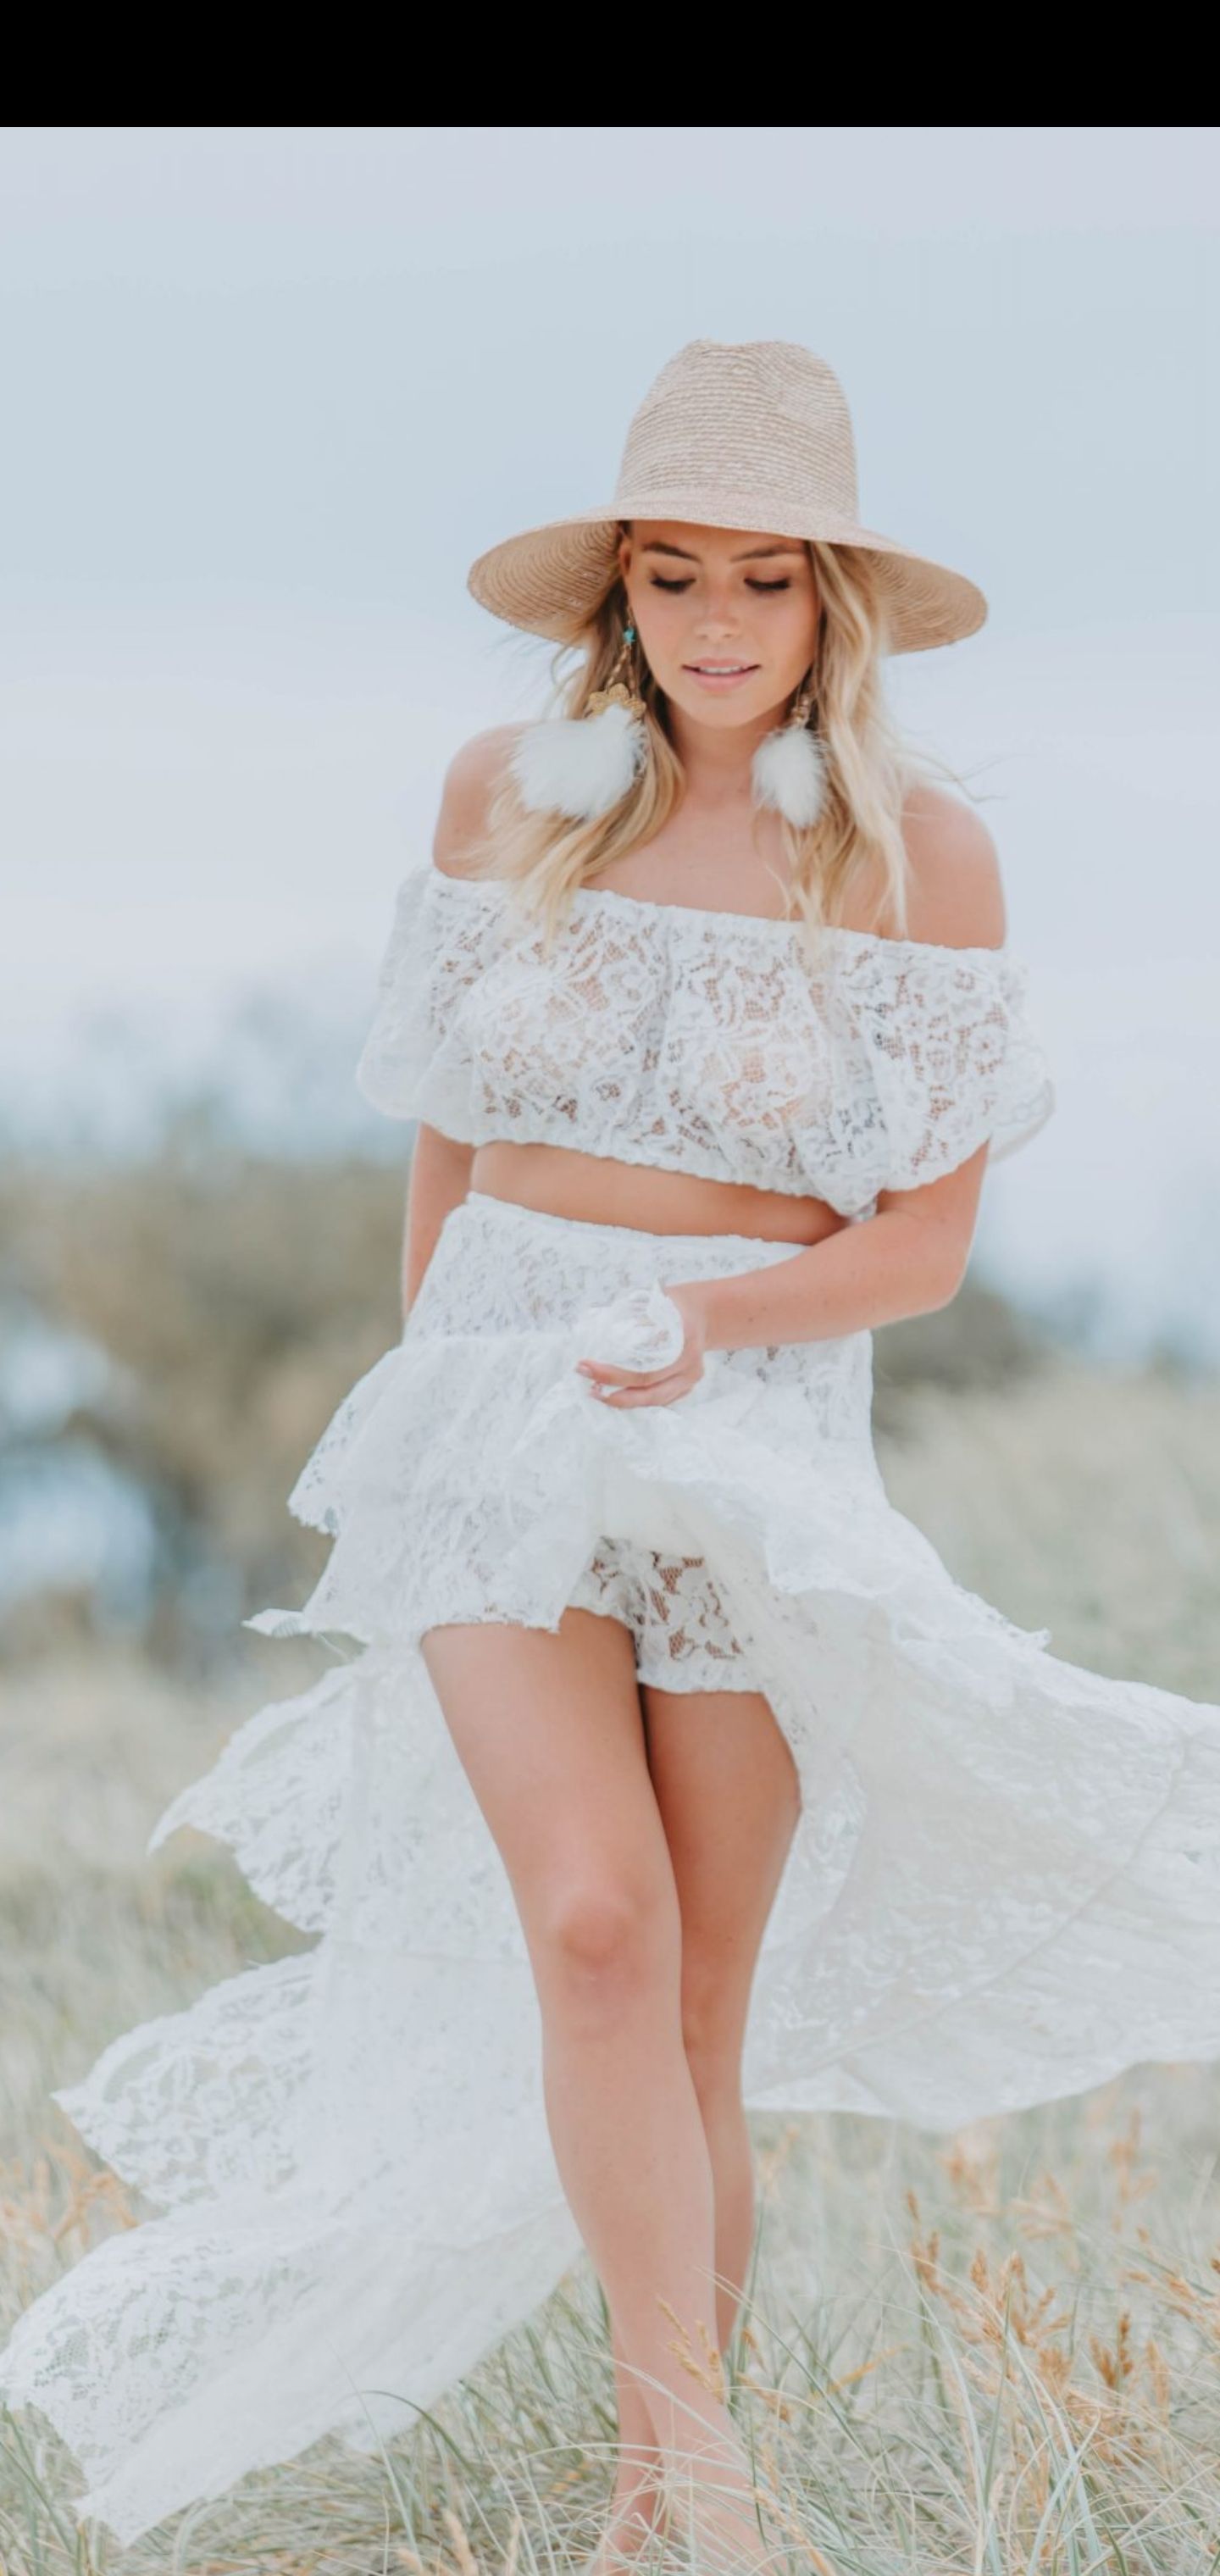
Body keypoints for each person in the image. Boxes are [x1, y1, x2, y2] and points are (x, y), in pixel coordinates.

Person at [4, 338, 1219, 2565]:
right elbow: (442, 1149)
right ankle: (719, 2489)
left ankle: (666, 2491)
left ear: (834, 600)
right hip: (498, 1410)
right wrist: (449, 1384)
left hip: (750, 1427)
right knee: (590, 1922)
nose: (717, 622)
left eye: (766, 577)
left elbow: (923, 1246)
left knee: (698, 2003)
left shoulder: (918, 853)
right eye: (675, 575)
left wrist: (709, 1324)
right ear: (618, 595)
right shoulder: (505, 792)